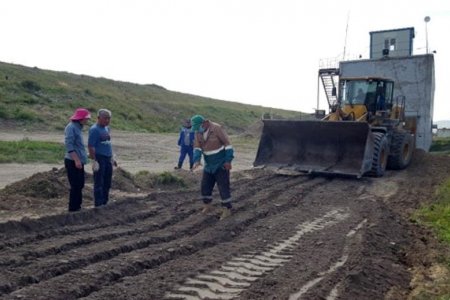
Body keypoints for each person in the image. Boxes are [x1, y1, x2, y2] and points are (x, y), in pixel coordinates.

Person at [190, 114, 234, 220]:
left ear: (204, 123)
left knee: (223, 187)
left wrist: (228, 160)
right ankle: (207, 206)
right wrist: (196, 160)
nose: (197, 130)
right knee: (205, 186)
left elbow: (228, 145)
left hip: (221, 164)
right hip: (208, 165)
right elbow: (197, 148)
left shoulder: (217, 128)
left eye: (198, 127)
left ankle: (227, 209)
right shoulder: (198, 132)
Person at [88, 109, 117, 207]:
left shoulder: (107, 128)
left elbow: (108, 144)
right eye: (105, 118)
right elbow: (91, 146)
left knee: (107, 182)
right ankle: (99, 204)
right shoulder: (94, 129)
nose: (107, 121)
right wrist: (94, 160)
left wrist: (112, 157)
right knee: (99, 182)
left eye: (109, 118)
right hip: (100, 158)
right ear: (99, 118)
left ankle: (105, 202)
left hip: (108, 158)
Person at [64, 108, 91, 212]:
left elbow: (78, 146)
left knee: (80, 184)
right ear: (80, 118)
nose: (87, 121)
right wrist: (76, 160)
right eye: (86, 118)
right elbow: (69, 145)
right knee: (75, 185)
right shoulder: (71, 128)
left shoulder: (78, 127)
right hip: (72, 161)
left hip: (79, 160)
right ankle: (73, 208)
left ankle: (78, 206)